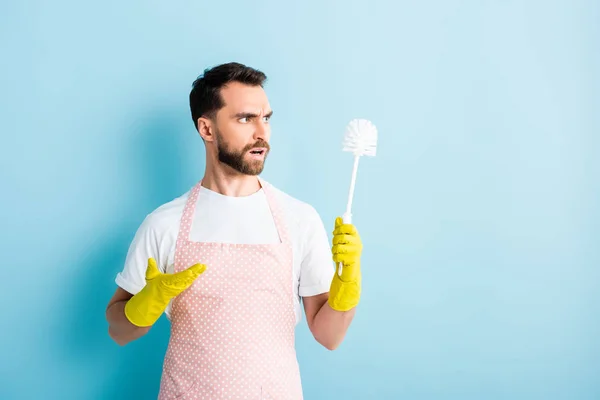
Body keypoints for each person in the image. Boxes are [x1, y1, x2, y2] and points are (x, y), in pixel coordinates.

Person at [105, 62, 363, 399]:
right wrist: (145, 305)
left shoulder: (299, 218)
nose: (262, 133)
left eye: (266, 118)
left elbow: (329, 337)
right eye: (245, 119)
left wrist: (348, 285)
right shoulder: (164, 223)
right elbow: (118, 331)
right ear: (207, 129)